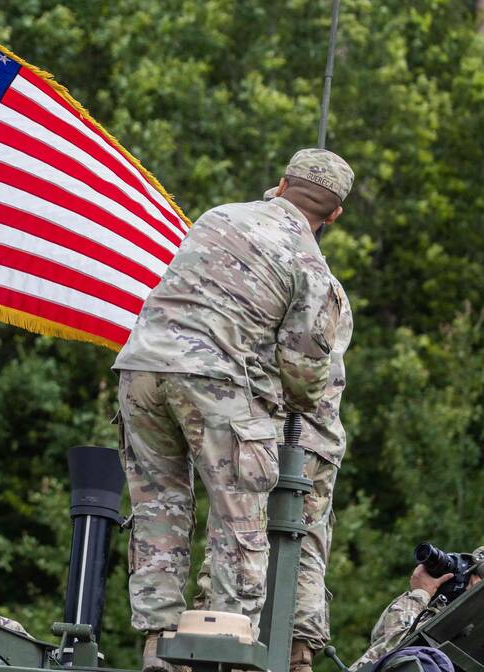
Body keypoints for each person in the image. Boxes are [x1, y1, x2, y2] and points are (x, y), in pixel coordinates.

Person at [111, 149, 354, 672]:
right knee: (238, 520)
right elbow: (304, 372)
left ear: (280, 183)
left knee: (159, 511)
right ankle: (224, 649)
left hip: (141, 370)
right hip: (216, 383)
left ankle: (158, 644)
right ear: (334, 214)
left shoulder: (217, 216)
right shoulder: (312, 266)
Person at [196, 187, 356, 672]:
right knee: (292, 539)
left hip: (291, 426)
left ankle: (260, 645)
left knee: (244, 531)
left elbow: (299, 369)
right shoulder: (315, 276)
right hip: (299, 428)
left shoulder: (301, 276)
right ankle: (289, 650)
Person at [352, 549, 484, 670]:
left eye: (478, 575)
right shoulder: (437, 611)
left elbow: (397, 648)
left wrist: (420, 594)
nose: (468, 580)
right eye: (469, 572)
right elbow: (380, 640)